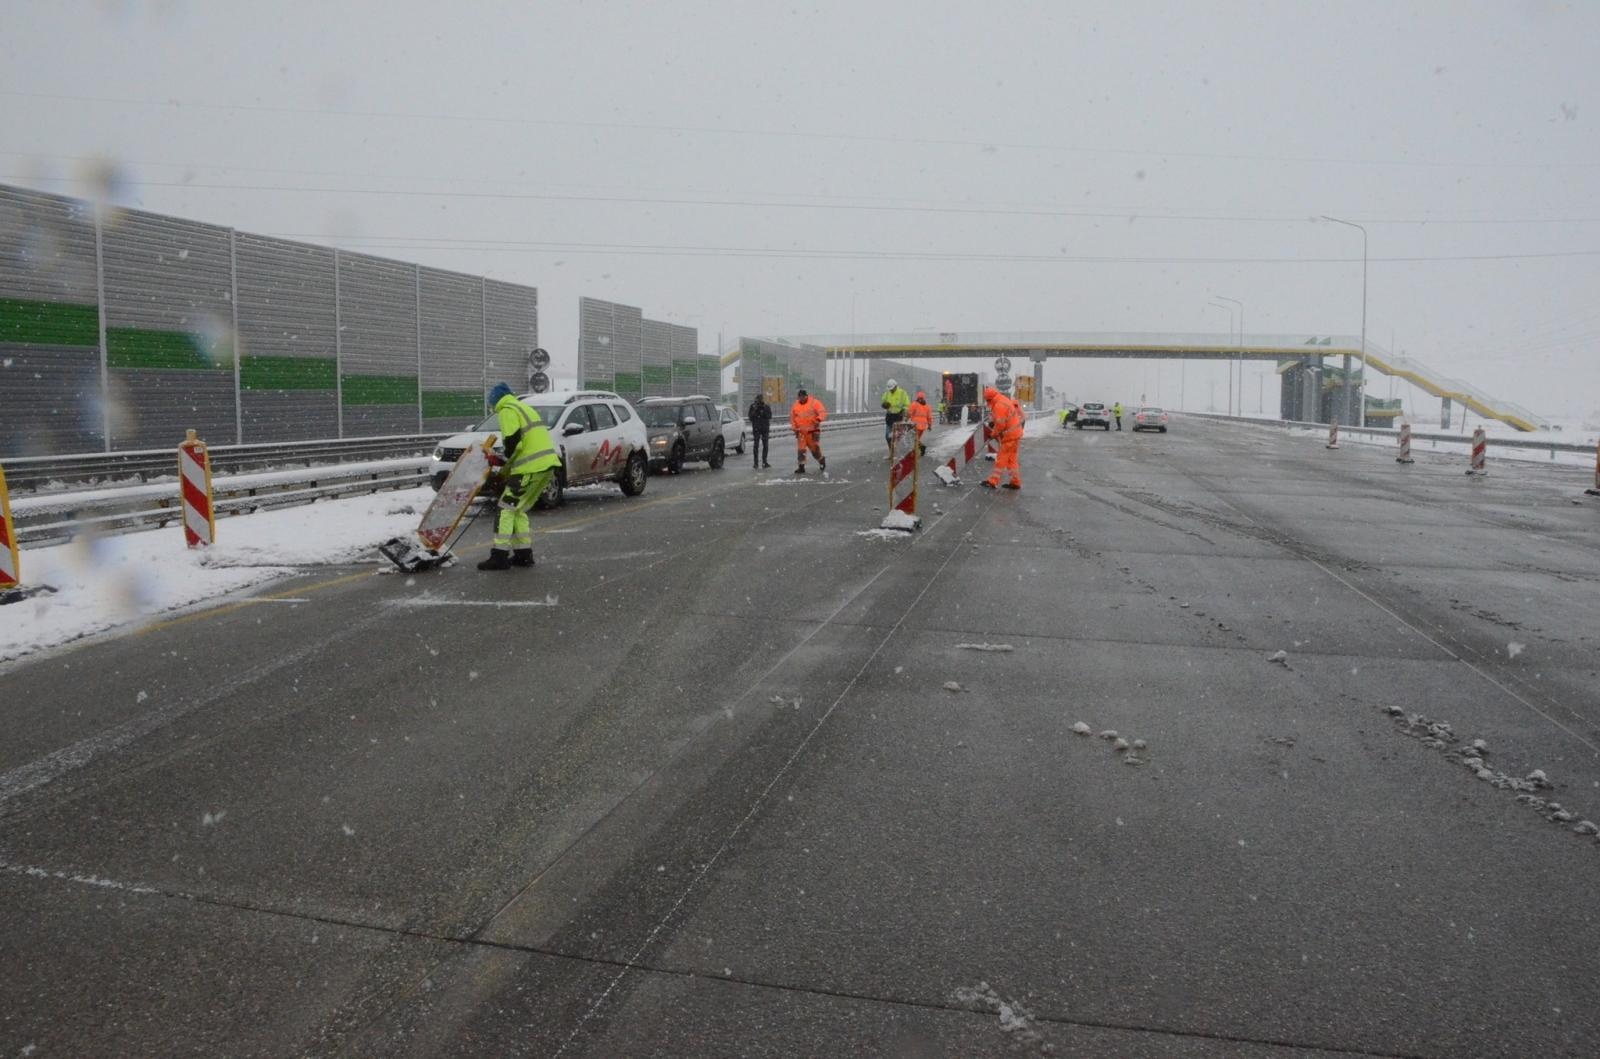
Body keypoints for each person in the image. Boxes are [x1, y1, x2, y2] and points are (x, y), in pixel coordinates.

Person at [479, 382, 561, 570]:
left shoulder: (507, 410)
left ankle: (499, 556)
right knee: (517, 509)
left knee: (505, 509)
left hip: (529, 468)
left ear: (494, 401)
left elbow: (514, 443)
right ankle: (524, 554)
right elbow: (524, 443)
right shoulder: (523, 407)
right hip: (545, 466)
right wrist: (504, 466)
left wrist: (503, 464)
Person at [981, 385, 1024, 491]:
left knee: (1001, 459)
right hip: (1016, 434)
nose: (987, 403)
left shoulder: (998, 405)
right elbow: (1004, 419)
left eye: (987, 400)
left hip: (1009, 436)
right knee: (1011, 460)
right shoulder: (1003, 399)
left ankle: (993, 481)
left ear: (989, 399)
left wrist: (992, 434)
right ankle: (1015, 482)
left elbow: (1000, 425)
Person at [790, 388, 827, 474]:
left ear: (806, 396)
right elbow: (792, 418)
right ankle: (801, 466)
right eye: (800, 397)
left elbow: (822, 412)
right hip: (801, 432)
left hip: (812, 431)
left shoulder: (814, 403)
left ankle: (821, 460)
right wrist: (794, 428)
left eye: (803, 396)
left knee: (815, 449)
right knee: (801, 450)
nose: (802, 398)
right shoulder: (795, 405)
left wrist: (818, 419)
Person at [880, 378, 911, 456]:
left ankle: (896, 451)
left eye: (892, 389)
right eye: (890, 389)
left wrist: (904, 410)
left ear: (896, 386)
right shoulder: (887, 393)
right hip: (889, 417)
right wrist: (884, 404)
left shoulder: (902, 393)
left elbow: (907, 404)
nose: (891, 390)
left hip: (898, 417)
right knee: (888, 436)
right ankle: (891, 451)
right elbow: (882, 401)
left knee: (897, 436)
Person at [746, 392, 772, 468]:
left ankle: (764, 462)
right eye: (758, 399)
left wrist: (763, 411)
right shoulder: (753, 407)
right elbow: (750, 417)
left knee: (765, 446)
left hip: (765, 428)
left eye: (760, 399)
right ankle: (756, 463)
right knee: (756, 446)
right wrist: (755, 410)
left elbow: (770, 416)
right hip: (756, 428)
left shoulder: (766, 406)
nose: (759, 401)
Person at [907, 390, 934, 456]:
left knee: (915, 439)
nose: (920, 399)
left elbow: (909, 413)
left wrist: (907, 420)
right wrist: (929, 425)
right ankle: (919, 449)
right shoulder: (927, 406)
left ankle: (917, 451)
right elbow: (929, 417)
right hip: (923, 426)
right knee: (916, 439)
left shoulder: (914, 404)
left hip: (915, 425)